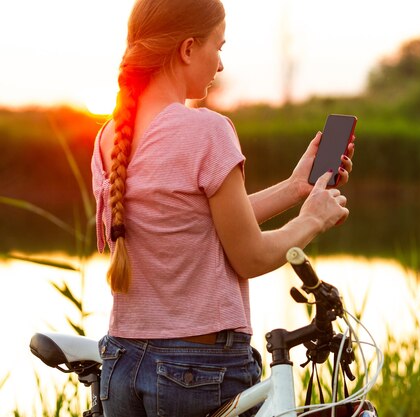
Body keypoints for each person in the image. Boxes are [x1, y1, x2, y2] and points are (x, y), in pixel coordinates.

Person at [90, 0, 355, 416]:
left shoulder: (108, 139)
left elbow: (191, 222)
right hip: (197, 371)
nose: (221, 65)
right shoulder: (208, 130)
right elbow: (250, 257)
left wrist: (293, 188)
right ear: (188, 48)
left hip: (122, 364)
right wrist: (312, 220)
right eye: (219, 46)